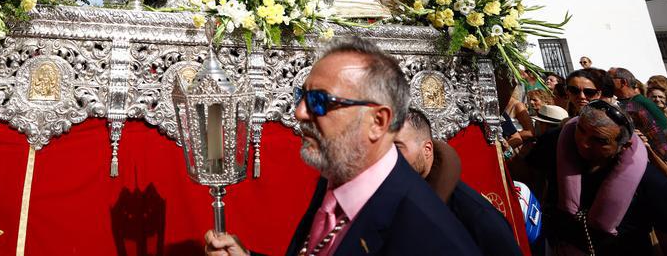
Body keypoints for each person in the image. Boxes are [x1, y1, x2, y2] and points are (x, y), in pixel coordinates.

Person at [204, 37, 480, 255]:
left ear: (378, 121)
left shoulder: (427, 238)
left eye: (320, 101)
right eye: (303, 96)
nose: (300, 112)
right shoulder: (338, 177)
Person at [526, 100, 667, 253]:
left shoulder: (650, 182)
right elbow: (527, 179)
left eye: (599, 140)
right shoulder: (554, 144)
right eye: (581, 130)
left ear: (624, 146)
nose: (584, 143)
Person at [394, 108, 520, 256]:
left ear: (427, 149)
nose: (388, 156)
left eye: (397, 147)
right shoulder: (392, 196)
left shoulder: (478, 216)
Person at [608, 67, 667, 179]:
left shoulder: (640, 103)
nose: (606, 82)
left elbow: (664, 134)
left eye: (609, 79)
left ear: (623, 82)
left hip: (660, 166)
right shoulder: (626, 103)